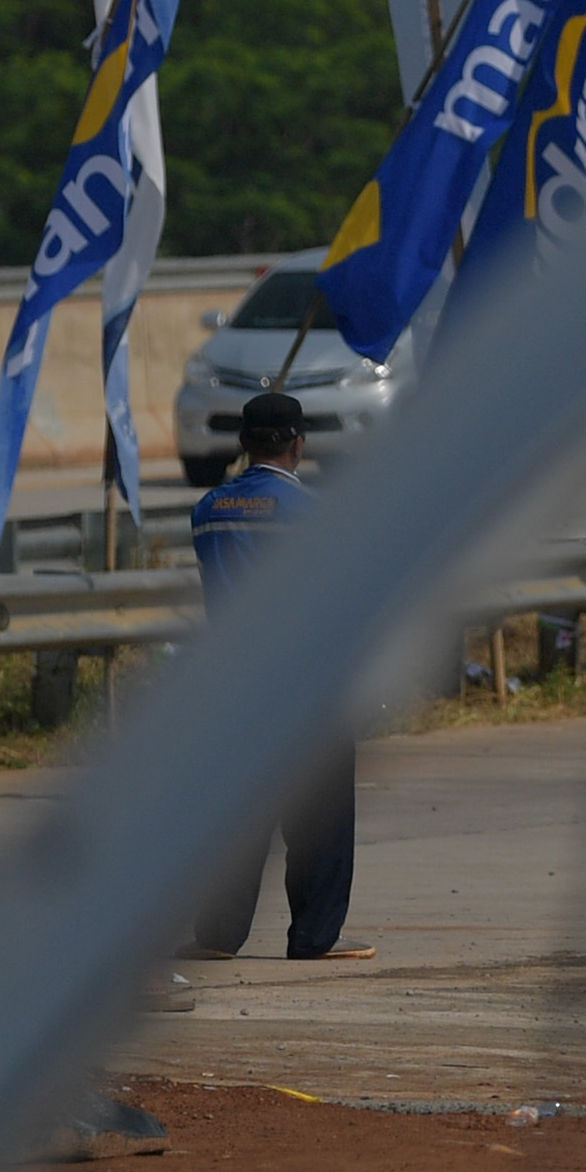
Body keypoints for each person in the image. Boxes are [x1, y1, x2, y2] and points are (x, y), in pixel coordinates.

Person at [188, 391, 369, 960]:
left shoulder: (209, 510)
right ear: (299, 444)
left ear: (242, 442)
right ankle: (314, 937)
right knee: (321, 819)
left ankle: (218, 935)